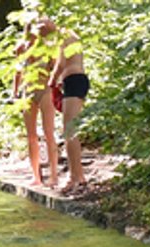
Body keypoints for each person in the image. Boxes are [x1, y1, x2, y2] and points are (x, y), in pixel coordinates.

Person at [39, 17, 90, 194]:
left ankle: (75, 177)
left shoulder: (65, 34)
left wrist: (51, 82)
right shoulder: (64, 36)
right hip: (70, 82)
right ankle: (77, 175)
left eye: (43, 31)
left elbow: (60, 64)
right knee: (69, 130)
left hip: (75, 81)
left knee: (70, 130)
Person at [11, 21, 58, 188]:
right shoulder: (21, 48)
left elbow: (55, 69)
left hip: (45, 89)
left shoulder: (49, 48)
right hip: (27, 92)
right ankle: (36, 175)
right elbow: (17, 72)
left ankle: (53, 175)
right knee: (31, 136)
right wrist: (15, 92)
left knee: (48, 132)